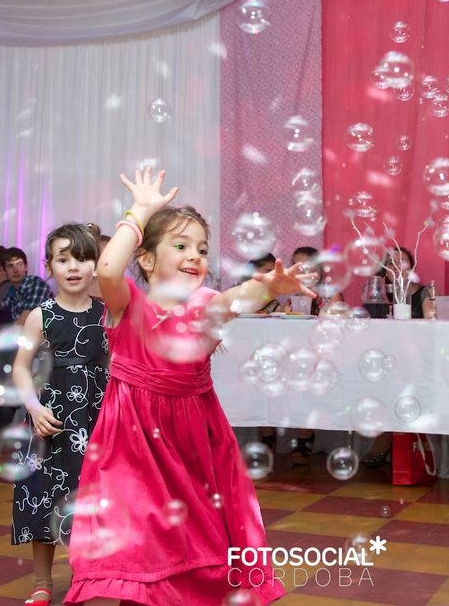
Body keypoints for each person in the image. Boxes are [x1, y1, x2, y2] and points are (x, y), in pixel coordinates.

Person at [64, 168, 306, 606]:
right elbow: (106, 267)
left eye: (202, 248)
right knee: (136, 538)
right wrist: (138, 213)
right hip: (133, 441)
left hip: (194, 440)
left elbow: (236, 300)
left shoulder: (204, 305)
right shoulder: (127, 305)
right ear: (147, 259)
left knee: (194, 538)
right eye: (180, 246)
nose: (195, 256)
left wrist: (266, 288)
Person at [11, 224, 109, 606]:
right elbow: (20, 368)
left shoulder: (108, 313)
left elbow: (118, 366)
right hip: (50, 419)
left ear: (97, 265)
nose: (73, 266)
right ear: (49, 266)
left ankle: (86, 575)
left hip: (96, 416)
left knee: (92, 498)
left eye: (82, 258)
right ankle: (41, 580)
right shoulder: (40, 316)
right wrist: (33, 408)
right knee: (43, 497)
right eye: (62, 258)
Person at [2, 247, 53, 326]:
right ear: (3, 270)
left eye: (19, 265)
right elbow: (4, 324)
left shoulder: (37, 284)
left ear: (26, 266)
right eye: (10, 266)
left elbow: (24, 323)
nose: (15, 270)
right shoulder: (8, 295)